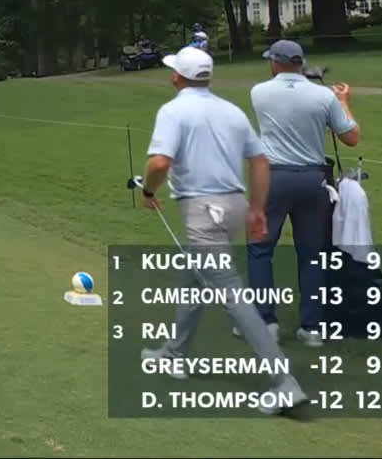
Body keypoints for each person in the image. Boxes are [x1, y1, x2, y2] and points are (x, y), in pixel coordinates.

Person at [137, 46, 308, 414]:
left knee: (233, 296)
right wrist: (258, 208)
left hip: (203, 212)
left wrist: (148, 190)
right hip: (234, 207)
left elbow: (160, 161)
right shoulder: (230, 111)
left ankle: (283, 381)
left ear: (177, 76)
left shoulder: (173, 110)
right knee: (193, 278)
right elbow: (260, 161)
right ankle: (175, 354)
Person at [245, 39, 360, 346]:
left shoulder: (259, 92)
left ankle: (265, 322)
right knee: (312, 254)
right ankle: (312, 328)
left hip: (274, 177)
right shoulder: (323, 96)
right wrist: (344, 101)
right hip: (312, 177)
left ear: (275, 63)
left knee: (260, 249)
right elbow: (351, 136)